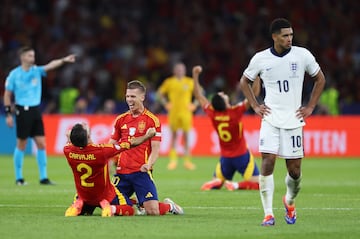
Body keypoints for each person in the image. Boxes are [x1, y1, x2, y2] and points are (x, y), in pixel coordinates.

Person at [239, 18, 326, 226]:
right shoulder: (260, 58)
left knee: (294, 171)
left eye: (291, 35)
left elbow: (320, 79)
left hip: (294, 120)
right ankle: (268, 214)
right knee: (267, 162)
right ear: (274, 36)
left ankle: (289, 200)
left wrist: (311, 107)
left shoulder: (302, 55)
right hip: (270, 118)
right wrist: (255, 105)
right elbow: (245, 81)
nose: (289, 39)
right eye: (285, 35)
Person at [109, 80, 184, 216]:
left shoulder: (152, 120)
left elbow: (155, 149)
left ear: (142, 97)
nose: (129, 100)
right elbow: (110, 146)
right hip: (122, 173)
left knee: (152, 211)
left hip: (140, 172)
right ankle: (139, 203)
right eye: (127, 96)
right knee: (111, 204)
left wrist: (149, 165)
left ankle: (169, 206)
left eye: (133, 97)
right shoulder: (120, 120)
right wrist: (108, 162)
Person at [3, 46, 76, 185]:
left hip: (35, 110)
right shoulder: (14, 74)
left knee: (41, 144)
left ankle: (43, 177)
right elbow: (7, 94)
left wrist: (64, 60)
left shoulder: (36, 71)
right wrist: (8, 114)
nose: (33, 58)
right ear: (23, 57)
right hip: (22, 110)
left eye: (33, 55)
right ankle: (19, 178)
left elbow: (50, 65)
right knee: (21, 144)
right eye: (30, 55)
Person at [63, 122, 156, 217]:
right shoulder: (101, 151)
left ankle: (78, 205)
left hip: (85, 196)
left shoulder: (67, 150)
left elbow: (72, 140)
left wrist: (73, 135)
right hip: (105, 195)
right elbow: (130, 144)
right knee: (130, 209)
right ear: (87, 137)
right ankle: (111, 208)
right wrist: (147, 136)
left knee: (85, 208)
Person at [192, 65, 260, 191]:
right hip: (242, 156)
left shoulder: (213, 113)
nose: (223, 93)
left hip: (225, 158)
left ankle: (217, 182)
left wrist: (195, 75)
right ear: (224, 102)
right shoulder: (235, 112)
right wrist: (257, 75)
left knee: (216, 182)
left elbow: (198, 95)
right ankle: (235, 185)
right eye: (222, 95)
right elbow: (254, 94)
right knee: (260, 184)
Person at [157, 62, 197, 170]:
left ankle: (187, 161)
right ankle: (173, 161)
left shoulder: (190, 82)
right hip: (173, 112)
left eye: (181, 69)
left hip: (186, 112)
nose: (180, 71)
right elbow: (159, 93)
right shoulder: (169, 82)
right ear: (174, 71)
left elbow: (200, 93)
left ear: (184, 71)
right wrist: (165, 103)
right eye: (178, 69)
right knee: (174, 136)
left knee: (186, 136)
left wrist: (195, 104)